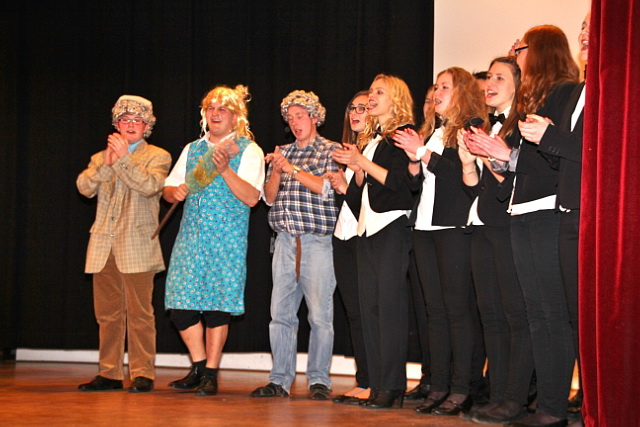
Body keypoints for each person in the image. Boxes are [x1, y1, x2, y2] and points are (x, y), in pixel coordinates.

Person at [467, 25, 579, 427]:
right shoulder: (540, 98)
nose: (516, 54)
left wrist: (507, 155)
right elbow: (530, 163)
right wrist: (501, 157)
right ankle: (544, 405)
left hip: (548, 210)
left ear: (541, 50)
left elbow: (556, 162)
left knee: (550, 314)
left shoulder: (566, 92)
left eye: (521, 49)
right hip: (523, 210)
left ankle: (551, 407)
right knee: (537, 314)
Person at [394, 67, 488, 416]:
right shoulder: (432, 131)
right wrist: (414, 163)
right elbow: (417, 185)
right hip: (424, 227)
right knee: (434, 312)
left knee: (457, 312)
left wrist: (422, 154)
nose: (437, 93)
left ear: (462, 92)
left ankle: (462, 389)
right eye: (435, 86)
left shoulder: (470, 128)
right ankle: (439, 385)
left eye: (445, 87)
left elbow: (459, 176)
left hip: (454, 228)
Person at [163, 85, 265, 396]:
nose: (215, 113)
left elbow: (252, 197)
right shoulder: (193, 148)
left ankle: (211, 372)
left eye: (223, 109)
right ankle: (198, 366)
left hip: (226, 238)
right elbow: (168, 188)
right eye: (211, 108)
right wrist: (175, 192)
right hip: (190, 238)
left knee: (217, 307)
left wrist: (224, 170)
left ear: (236, 117)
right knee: (180, 305)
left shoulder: (249, 150)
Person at [519, 12, 590, 417]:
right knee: (566, 315)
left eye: (592, 28)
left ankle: (587, 405)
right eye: (582, 28)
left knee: (577, 316)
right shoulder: (577, 92)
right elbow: (562, 157)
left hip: (589, 214)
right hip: (568, 211)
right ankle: (561, 406)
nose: (584, 34)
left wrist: (549, 137)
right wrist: (544, 140)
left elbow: (601, 148)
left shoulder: (611, 90)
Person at [458, 57, 535, 424]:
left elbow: (515, 186)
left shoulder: (524, 127)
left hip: (510, 227)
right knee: (490, 316)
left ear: (518, 84)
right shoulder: (490, 126)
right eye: (488, 77)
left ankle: (515, 398)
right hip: (484, 225)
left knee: (514, 316)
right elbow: (475, 189)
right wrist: (467, 161)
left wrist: (489, 154)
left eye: (500, 78)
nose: (490, 83)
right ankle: (498, 395)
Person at [76, 95, 171, 393]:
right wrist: (108, 163)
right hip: (103, 246)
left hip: (137, 246)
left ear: (147, 127)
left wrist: (123, 159)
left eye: (138, 121)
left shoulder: (158, 156)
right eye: (125, 120)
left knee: (140, 314)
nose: (131, 125)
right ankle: (110, 373)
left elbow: (150, 186)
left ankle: (142, 373)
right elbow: (84, 187)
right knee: (107, 315)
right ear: (116, 125)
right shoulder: (100, 157)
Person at [250, 90, 340, 400]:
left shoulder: (331, 150)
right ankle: (280, 380)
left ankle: (319, 380)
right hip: (284, 242)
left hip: (318, 243)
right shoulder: (282, 152)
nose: (294, 122)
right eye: (290, 118)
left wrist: (291, 169)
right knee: (281, 315)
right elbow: (269, 198)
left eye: (300, 116)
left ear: (315, 118)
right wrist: (276, 171)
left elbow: (326, 188)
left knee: (320, 317)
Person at [332, 74, 415, 409]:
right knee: (371, 310)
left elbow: (400, 184)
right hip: (367, 229)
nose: (371, 97)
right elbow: (360, 192)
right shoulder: (374, 139)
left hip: (391, 227)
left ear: (396, 99)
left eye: (379, 92)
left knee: (389, 309)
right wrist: (356, 170)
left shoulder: (402, 134)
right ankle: (377, 384)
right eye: (372, 92)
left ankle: (392, 385)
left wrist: (361, 163)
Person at [325, 90, 371, 404]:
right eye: (352, 108)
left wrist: (346, 187)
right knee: (354, 314)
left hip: (363, 239)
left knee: (367, 313)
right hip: (342, 237)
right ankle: (363, 379)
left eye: (363, 108)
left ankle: (373, 381)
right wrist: (342, 188)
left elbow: (373, 200)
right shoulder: (350, 151)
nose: (355, 113)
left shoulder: (373, 151)